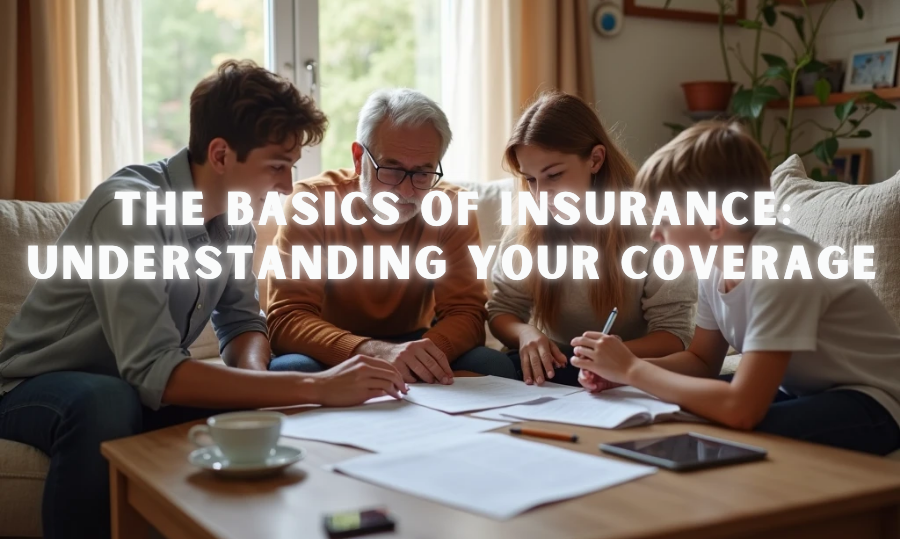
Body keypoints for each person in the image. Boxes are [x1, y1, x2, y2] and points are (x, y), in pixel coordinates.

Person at [0, 60, 406, 539]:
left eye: (291, 168)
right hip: (34, 386)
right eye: (277, 167)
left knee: (297, 366)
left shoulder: (236, 218)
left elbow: (241, 322)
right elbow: (153, 370)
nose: (287, 186)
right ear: (220, 154)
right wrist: (311, 390)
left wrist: (255, 384)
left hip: (135, 387)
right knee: (104, 400)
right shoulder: (129, 209)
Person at [570, 120, 900, 455]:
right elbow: (701, 361)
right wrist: (622, 374)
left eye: (665, 220)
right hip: (808, 392)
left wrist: (632, 369)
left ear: (715, 222)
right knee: (674, 406)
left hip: (877, 401)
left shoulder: (780, 265)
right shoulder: (716, 264)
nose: (655, 233)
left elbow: (742, 409)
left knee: (731, 430)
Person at [267, 88, 516, 382]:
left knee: (494, 367)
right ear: (359, 158)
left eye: (423, 173)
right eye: (392, 169)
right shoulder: (312, 201)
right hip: (331, 347)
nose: (407, 191)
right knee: (293, 369)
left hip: (418, 340)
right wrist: (373, 352)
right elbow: (287, 319)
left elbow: (467, 314)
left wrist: (418, 355)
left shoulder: (451, 205)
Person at [487, 91, 696, 386]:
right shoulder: (528, 225)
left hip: (627, 371)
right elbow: (502, 310)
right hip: (557, 369)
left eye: (554, 175)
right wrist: (526, 333)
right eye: (530, 179)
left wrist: (609, 356)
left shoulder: (653, 226)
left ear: (595, 159)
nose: (539, 195)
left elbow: (675, 333)